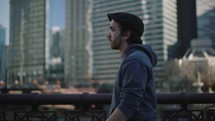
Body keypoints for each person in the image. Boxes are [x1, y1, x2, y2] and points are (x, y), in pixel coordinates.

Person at [106, 12, 158, 121]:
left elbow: (129, 104)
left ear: (126, 34)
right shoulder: (134, 58)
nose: (108, 34)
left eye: (112, 29)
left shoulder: (135, 61)